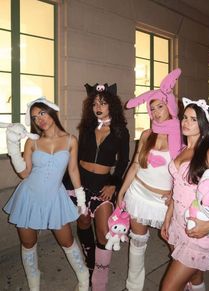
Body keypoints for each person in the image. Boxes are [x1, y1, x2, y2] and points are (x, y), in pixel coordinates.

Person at [3, 97, 89, 291]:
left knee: (67, 241)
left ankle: (84, 279)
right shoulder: (32, 142)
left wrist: (81, 198)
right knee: (28, 243)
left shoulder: (70, 140)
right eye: (34, 117)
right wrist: (12, 147)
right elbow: (24, 173)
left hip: (55, 198)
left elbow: (73, 170)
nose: (39, 119)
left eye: (42, 113)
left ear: (52, 112)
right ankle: (34, 283)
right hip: (29, 197)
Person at [160, 97, 209, 291]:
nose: (186, 122)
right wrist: (168, 218)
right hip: (178, 226)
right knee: (194, 277)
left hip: (198, 231)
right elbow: (177, 190)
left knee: (168, 287)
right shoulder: (183, 151)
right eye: (185, 117)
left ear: (204, 124)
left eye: (193, 119)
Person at [117, 68, 182, 291]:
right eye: (151, 108)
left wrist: (175, 194)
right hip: (139, 193)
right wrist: (122, 192)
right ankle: (133, 286)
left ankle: (187, 282)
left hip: (165, 201)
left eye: (160, 106)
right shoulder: (147, 134)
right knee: (137, 242)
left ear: (170, 106)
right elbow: (135, 164)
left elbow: (184, 174)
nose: (155, 112)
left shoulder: (181, 135)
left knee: (178, 246)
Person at [63, 83, 130, 291]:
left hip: (103, 185)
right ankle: (90, 263)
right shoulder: (87, 128)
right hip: (81, 182)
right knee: (83, 221)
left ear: (112, 106)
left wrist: (113, 183)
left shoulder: (121, 132)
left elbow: (123, 161)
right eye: (94, 103)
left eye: (102, 103)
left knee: (103, 233)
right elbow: (77, 157)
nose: (98, 107)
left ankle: (99, 283)